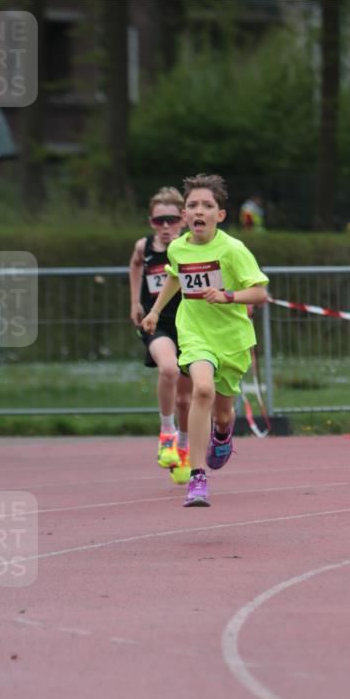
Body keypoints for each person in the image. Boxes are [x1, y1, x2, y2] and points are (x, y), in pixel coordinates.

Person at [142, 174, 269, 507]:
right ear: (185, 215)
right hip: (195, 333)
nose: (199, 211)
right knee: (201, 390)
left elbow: (259, 293)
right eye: (193, 205)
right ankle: (197, 477)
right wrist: (155, 311)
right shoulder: (179, 247)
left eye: (207, 206)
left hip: (232, 339)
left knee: (223, 413)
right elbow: (174, 276)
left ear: (220, 215)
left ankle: (223, 433)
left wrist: (228, 296)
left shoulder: (233, 249)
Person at [129, 187, 192, 482]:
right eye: (158, 221)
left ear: (182, 219)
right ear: (151, 223)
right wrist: (135, 302)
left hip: (191, 326)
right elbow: (135, 265)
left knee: (186, 400)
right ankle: (167, 432)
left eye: (170, 220)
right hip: (158, 324)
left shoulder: (193, 247)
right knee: (168, 369)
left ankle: (183, 447)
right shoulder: (145, 246)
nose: (165, 227)